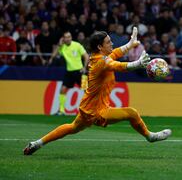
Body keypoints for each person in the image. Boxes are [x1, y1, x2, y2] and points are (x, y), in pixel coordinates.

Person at [24, 27, 172, 155]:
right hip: (97, 111)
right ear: (100, 47)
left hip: (87, 106)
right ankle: (150, 136)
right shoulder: (101, 62)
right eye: (108, 42)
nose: (112, 43)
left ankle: (37, 143)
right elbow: (118, 65)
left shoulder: (99, 56)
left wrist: (130, 44)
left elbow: (115, 53)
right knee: (131, 113)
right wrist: (138, 63)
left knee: (72, 127)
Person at [49, 31, 89, 115]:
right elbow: (54, 55)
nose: (68, 38)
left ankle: (89, 110)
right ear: (63, 38)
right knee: (62, 90)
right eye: (66, 37)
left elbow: (86, 56)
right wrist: (59, 45)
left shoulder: (77, 45)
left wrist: (84, 68)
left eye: (69, 37)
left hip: (80, 72)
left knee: (87, 91)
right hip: (69, 72)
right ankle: (61, 111)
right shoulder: (62, 47)